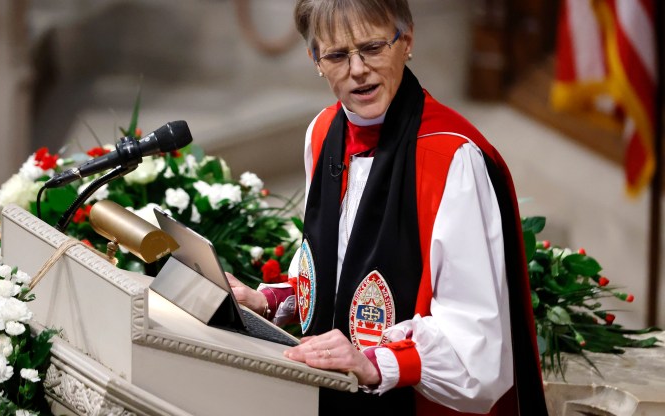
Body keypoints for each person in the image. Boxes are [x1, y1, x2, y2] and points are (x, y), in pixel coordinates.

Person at [227, 0, 548, 414]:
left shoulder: (452, 160)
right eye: (337, 55)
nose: (357, 69)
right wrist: (269, 301)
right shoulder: (323, 132)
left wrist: (373, 363)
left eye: (373, 47)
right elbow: (337, 268)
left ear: (406, 41)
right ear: (315, 61)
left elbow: (479, 352)